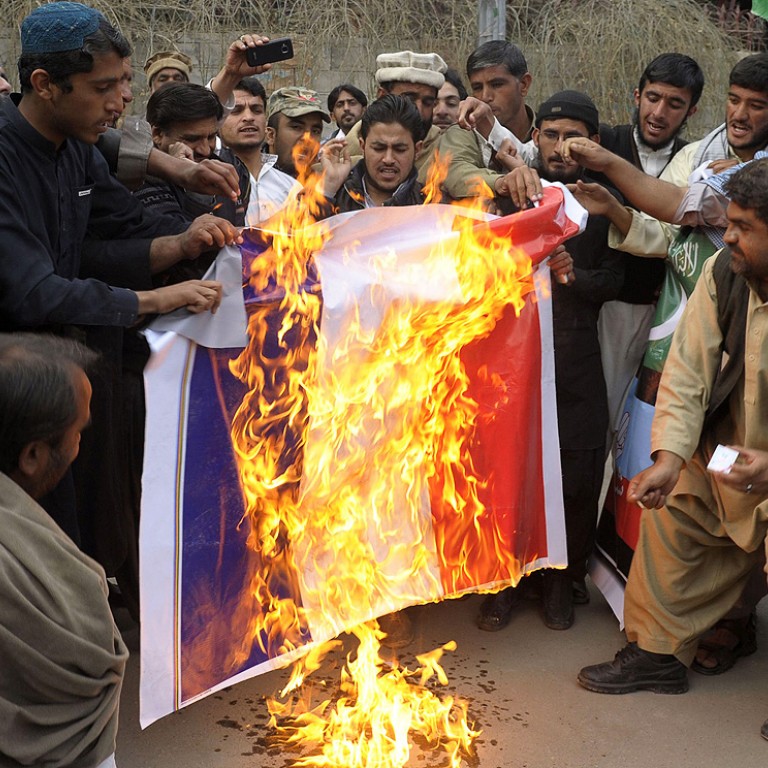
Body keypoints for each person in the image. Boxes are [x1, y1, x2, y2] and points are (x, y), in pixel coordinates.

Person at [576, 158, 768, 744]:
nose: (726, 235)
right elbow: (688, 374)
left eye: (742, 227)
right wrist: (667, 456)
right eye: (727, 223)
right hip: (734, 455)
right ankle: (658, 655)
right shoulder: (723, 272)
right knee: (676, 502)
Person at [477, 91, 624, 632]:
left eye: (573, 137)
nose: (561, 148)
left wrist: (571, 275)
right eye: (552, 135)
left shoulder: (604, 204)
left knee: (575, 475)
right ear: (534, 137)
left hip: (577, 359)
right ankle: (508, 582)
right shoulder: (513, 195)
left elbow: (616, 280)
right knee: (513, 469)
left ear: (594, 143)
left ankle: (561, 580)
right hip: (512, 362)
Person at [0, 333, 128, 768]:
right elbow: (87, 686)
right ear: (33, 455)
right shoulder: (55, 591)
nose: (79, 446)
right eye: (77, 433)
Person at [597, 53, 705, 436]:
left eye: (674, 104)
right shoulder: (603, 144)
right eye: (653, 98)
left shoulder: (699, 164)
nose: (659, 112)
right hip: (605, 311)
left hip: (667, 319)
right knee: (601, 420)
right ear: (637, 95)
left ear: (691, 111)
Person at [434, 40, 534, 200]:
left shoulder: (548, 132)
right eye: (478, 88)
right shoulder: (464, 128)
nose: (486, 97)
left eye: (497, 84)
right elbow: (455, 172)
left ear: (524, 84)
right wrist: (501, 182)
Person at [319, 94, 428, 212]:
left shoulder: (433, 204)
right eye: (379, 148)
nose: (388, 159)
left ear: (417, 150)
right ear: (363, 146)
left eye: (399, 150)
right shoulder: (333, 195)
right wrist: (327, 192)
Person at [343, 50, 447, 170]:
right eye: (409, 99)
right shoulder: (338, 160)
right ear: (382, 96)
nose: (419, 110)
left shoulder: (444, 154)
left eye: (427, 103)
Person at [218, 76, 301, 226]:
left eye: (256, 110)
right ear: (219, 121)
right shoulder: (208, 182)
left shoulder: (291, 188)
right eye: (236, 111)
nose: (249, 117)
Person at [265, 85, 331, 178]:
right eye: (296, 127)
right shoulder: (246, 182)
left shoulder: (325, 184)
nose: (308, 138)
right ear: (271, 135)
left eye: (315, 131)